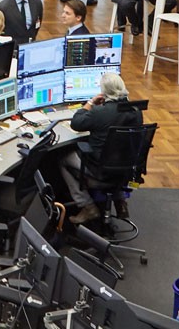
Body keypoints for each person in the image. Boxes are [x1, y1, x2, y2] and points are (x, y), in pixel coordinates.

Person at [57, 73, 141, 224]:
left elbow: (76, 123)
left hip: (100, 174)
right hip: (127, 173)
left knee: (62, 158)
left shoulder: (99, 112)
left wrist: (90, 103)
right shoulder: (136, 110)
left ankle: (87, 206)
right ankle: (120, 200)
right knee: (117, 157)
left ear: (104, 92)